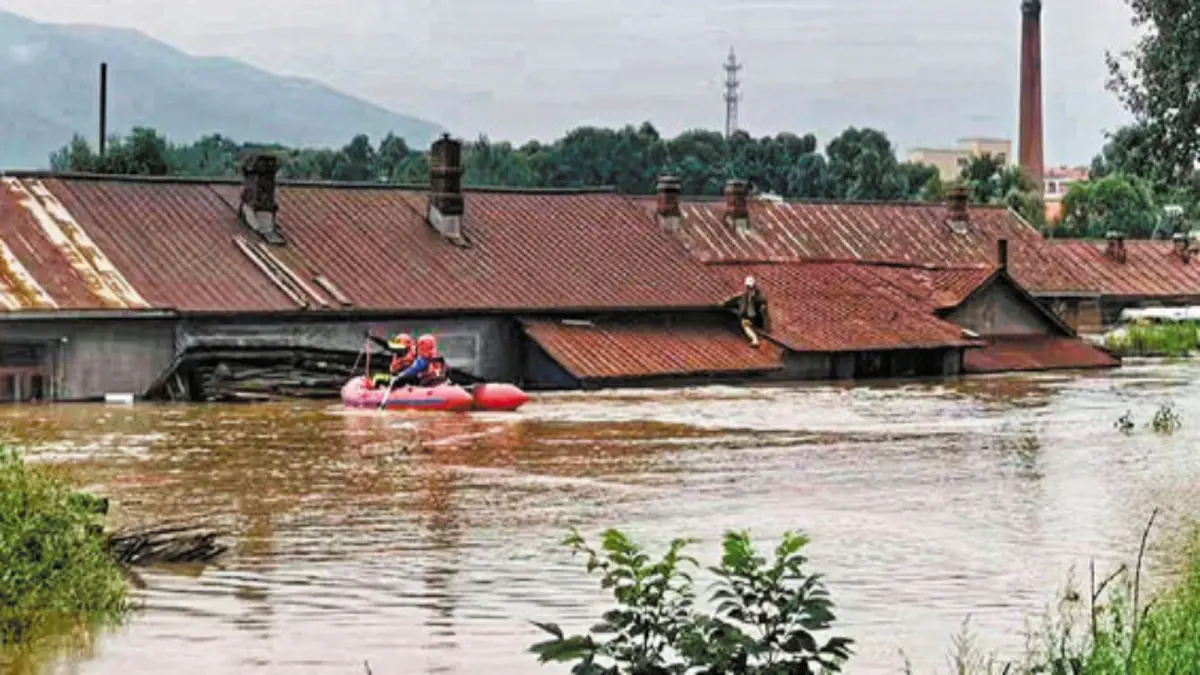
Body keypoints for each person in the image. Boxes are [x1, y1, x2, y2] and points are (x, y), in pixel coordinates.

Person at [724, 276, 769, 347]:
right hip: (748, 316)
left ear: (754, 286)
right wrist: (728, 301)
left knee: (744, 323)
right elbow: (733, 300)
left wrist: (766, 326)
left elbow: (763, 310)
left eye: (751, 287)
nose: (749, 289)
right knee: (744, 321)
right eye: (748, 287)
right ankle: (754, 338)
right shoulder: (743, 296)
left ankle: (755, 339)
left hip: (756, 319)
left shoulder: (759, 297)